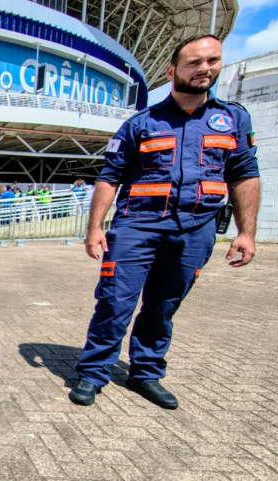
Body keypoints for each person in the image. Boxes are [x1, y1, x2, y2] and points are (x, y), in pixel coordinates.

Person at [69, 35, 260, 409]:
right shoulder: (142, 123)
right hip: (136, 227)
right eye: (194, 62)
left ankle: (146, 373)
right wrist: (94, 228)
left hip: (196, 228)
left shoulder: (233, 119)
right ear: (172, 71)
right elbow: (110, 177)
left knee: (163, 305)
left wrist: (246, 233)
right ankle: (93, 373)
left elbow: (244, 176)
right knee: (114, 301)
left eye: (212, 61)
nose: (204, 68)